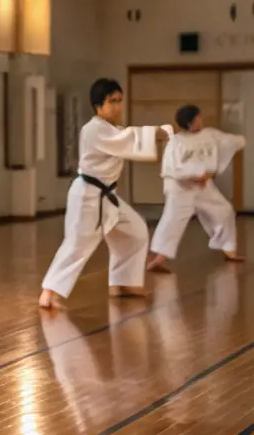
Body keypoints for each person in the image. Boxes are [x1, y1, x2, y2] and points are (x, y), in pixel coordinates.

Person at [39, 77, 166, 311]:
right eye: (112, 101)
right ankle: (49, 291)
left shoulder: (112, 130)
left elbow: (126, 137)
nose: (118, 106)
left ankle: (123, 283)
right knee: (78, 243)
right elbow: (128, 139)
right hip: (88, 197)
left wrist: (158, 134)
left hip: (106, 197)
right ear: (98, 106)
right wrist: (161, 132)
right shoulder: (94, 129)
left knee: (135, 232)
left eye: (120, 101)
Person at [147, 105, 246, 272]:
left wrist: (208, 173)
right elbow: (171, 168)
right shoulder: (176, 141)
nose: (200, 120)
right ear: (189, 122)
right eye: (196, 118)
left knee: (224, 210)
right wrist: (194, 175)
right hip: (181, 188)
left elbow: (229, 142)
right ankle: (158, 258)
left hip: (203, 185)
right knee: (172, 220)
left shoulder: (210, 134)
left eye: (199, 117)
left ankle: (229, 250)